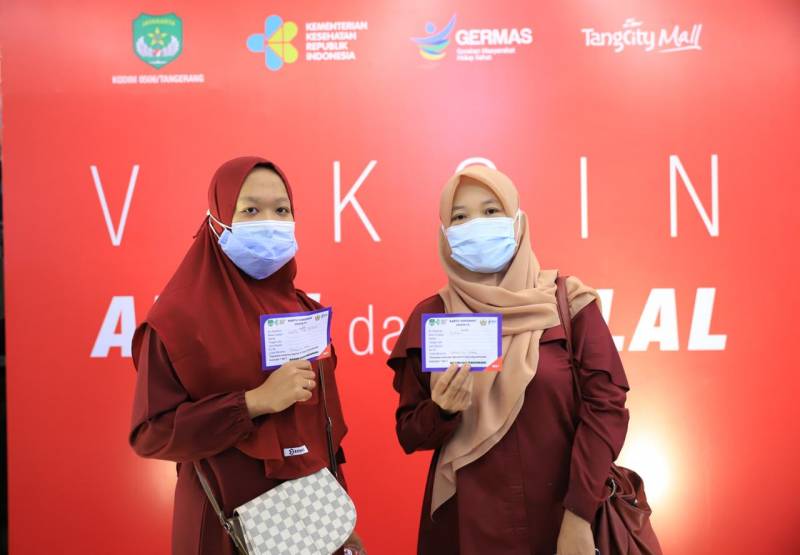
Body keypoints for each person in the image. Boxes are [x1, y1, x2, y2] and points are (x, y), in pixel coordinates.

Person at [387, 165, 630, 555]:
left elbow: (606, 409)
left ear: (517, 221)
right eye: (460, 217)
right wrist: (441, 410)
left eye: (490, 210)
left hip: (564, 518)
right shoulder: (433, 317)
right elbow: (410, 433)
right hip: (467, 526)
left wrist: (579, 515)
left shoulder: (568, 303)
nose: (476, 225)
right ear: (445, 234)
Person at [129, 156, 365, 554]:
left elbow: (324, 432)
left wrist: (340, 519)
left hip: (310, 522)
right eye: (251, 210)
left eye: (281, 210)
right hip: (224, 526)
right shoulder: (177, 321)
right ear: (218, 219)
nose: (269, 222)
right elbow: (151, 433)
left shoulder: (303, 311)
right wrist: (253, 402)